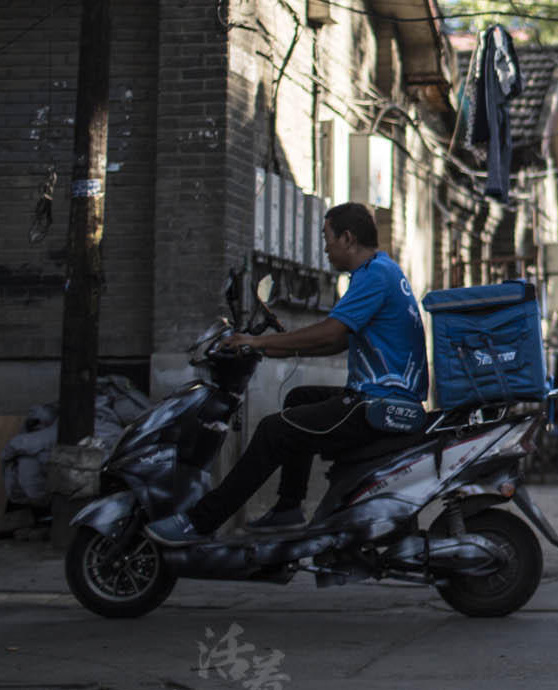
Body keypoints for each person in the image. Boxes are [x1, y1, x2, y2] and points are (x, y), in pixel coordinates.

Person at [147, 202, 429, 544]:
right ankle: (288, 508)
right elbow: (335, 342)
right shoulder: (381, 269)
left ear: (348, 238)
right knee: (298, 399)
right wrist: (265, 347)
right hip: (380, 399)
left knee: (272, 430)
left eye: (327, 239)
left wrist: (257, 341)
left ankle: (199, 522)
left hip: (379, 405)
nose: (325, 248)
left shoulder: (374, 277)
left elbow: (330, 333)